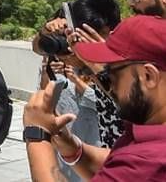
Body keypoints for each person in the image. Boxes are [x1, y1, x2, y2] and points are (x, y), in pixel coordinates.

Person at [22, 14, 166, 180]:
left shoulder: (147, 162)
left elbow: (131, 166)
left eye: (111, 74)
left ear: (149, 76)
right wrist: (72, 148)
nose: (106, 83)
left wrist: (37, 134)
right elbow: (116, 162)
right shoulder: (148, 132)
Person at [32, 0, 123, 179]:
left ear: (106, 30)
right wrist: (47, 32)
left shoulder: (128, 61)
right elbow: (38, 47)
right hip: (110, 161)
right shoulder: (94, 62)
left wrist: (34, 136)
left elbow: (130, 103)